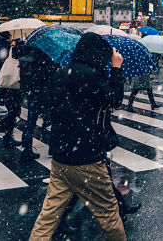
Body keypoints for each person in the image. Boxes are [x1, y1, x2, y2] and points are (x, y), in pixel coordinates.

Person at [29, 32, 126, 240]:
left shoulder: (62, 73)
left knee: (48, 217)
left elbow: (47, 103)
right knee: (109, 214)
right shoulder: (92, 76)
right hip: (87, 156)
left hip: (61, 156)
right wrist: (117, 69)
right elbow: (115, 98)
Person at [15, 42, 58, 161]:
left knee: (30, 123)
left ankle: (26, 148)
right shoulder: (45, 58)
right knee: (54, 120)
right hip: (45, 95)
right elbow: (49, 77)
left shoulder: (27, 59)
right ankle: (54, 148)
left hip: (32, 95)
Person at [0, 32, 23, 149]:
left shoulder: (4, 47)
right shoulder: (9, 48)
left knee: (14, 113)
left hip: (6, 85)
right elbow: (0, 62)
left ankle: (8, 138)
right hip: (12, 86)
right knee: (14, 113)